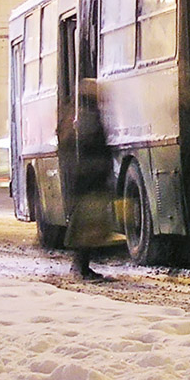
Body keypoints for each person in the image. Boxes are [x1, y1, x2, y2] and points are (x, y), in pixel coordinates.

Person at [60, 78, 113, 281]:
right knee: (87, 226)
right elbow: (91, 147)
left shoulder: (82, 114)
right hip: (90, 179)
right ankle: (81, 268)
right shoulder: (89, 116)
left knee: (86, 226)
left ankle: (81, 266)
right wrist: (100, 171)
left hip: (86, 179)